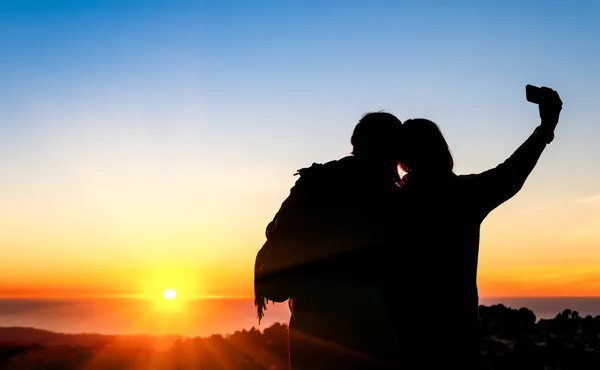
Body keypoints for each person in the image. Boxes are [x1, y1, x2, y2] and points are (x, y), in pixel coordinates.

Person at [393, 87, 563, 368]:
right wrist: (544, 129)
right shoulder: (463, 195)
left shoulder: (390, 201)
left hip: (402, 335)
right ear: (440, 149)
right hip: (455, 335)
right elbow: (512, 172)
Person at [254, 112, 404, 370]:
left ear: (354, 142)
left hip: (310, 323)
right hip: (372, 326)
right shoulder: (392, 196)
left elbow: (274, 230)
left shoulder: (314, 182)